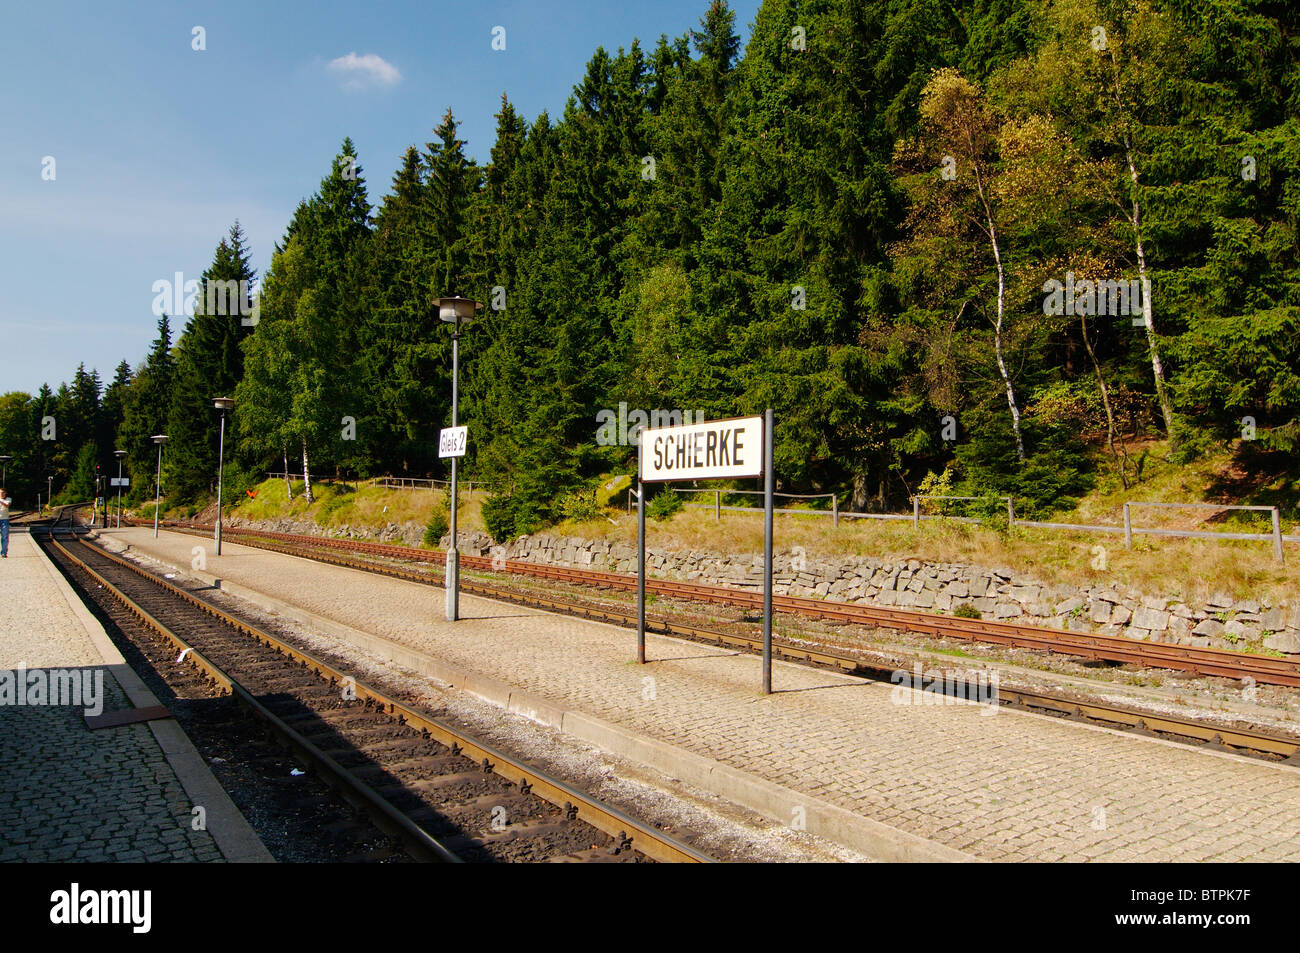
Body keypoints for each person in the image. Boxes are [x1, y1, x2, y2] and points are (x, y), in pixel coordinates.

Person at [0, 488, 10, 558]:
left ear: (5, 493)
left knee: (5, 537)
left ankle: (4, 552)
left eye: (3, 492)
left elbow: (7, 505)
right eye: (0, 493)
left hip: (5, 520)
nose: (2, 494)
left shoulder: (8, 499)